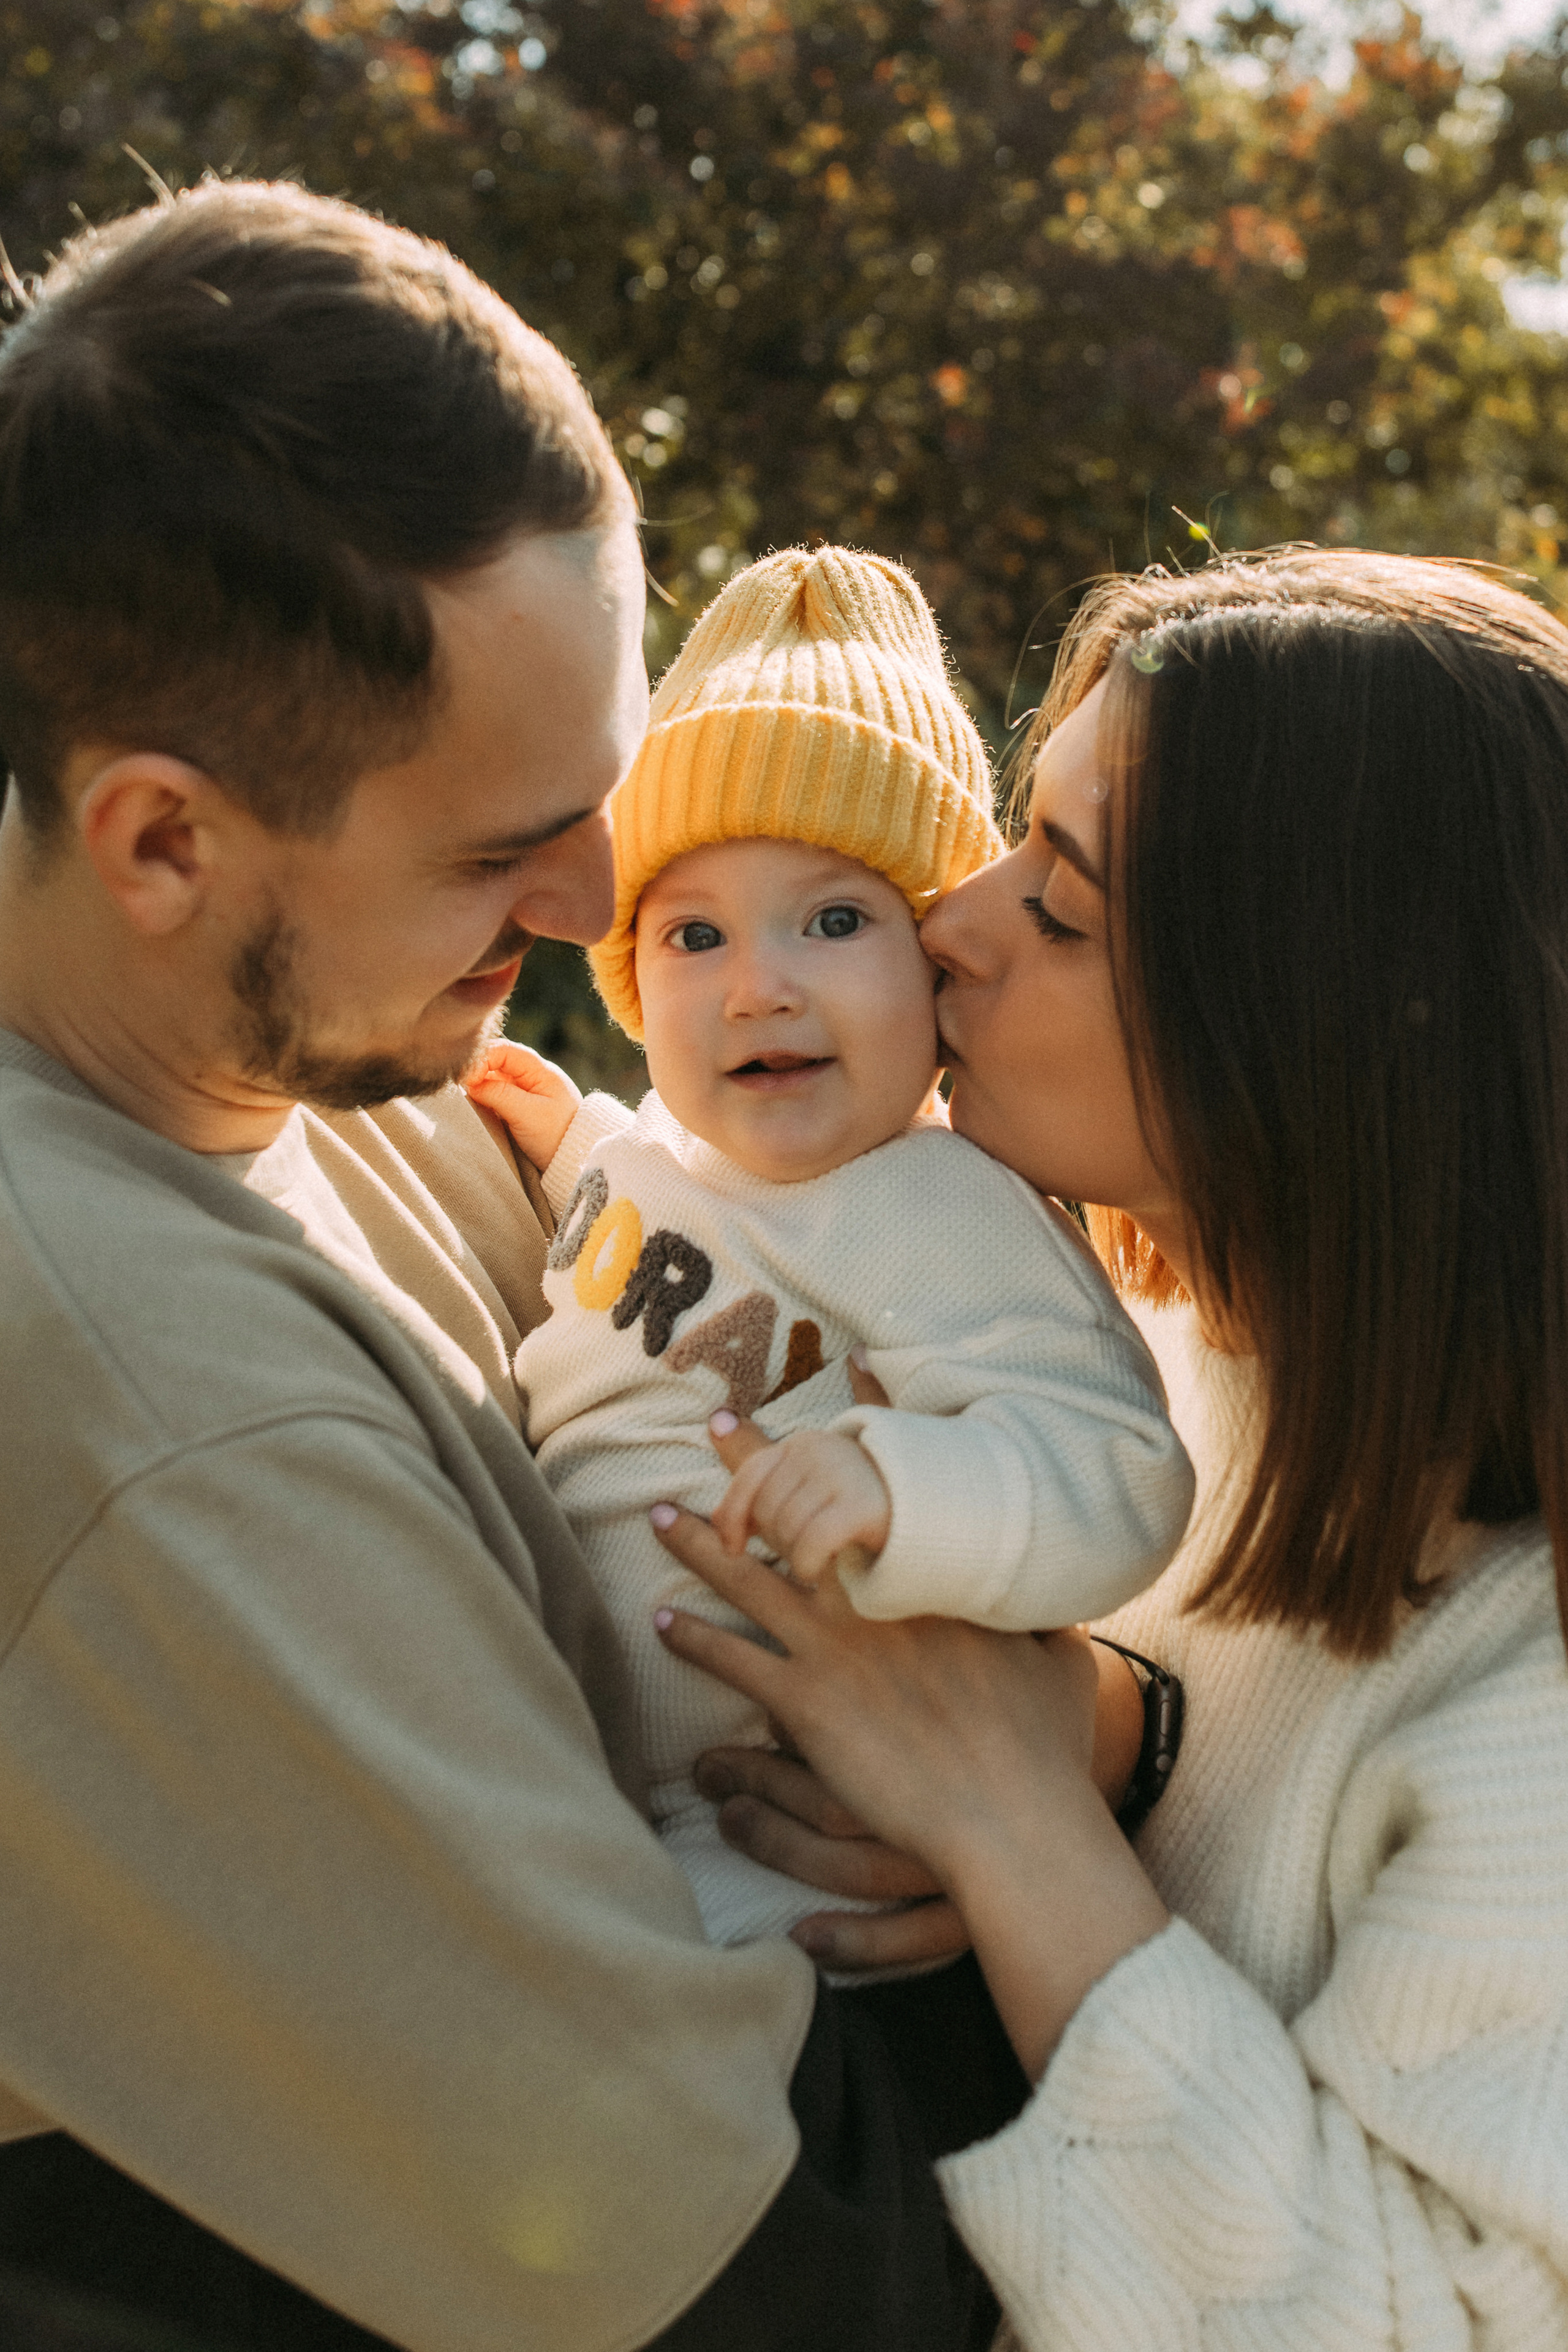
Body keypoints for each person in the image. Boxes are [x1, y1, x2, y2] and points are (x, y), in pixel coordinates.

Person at [0, 177, 1071, 2352]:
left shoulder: (316, 1065)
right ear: (162, 840)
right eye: (504, 845)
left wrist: (1083, 1719)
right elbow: (772, 2288)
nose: (604, 900)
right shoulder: (158, 1420)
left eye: (604, 795)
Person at [646, 548, 1568, 2343]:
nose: (950, 921)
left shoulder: (1533, 1710)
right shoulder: (1127, 1374)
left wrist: (1017, 1835)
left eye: (1056, 908)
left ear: (1311, 1025)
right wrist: (1111, 1736)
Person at [467, 542, 1193, 1950]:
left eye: (836, 920)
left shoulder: (935, 1205)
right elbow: (666, 1247)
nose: (759, 988)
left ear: (934, 960)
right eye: (692, 935)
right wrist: (570, 1144)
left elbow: (1109, 1466)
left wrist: (902, 1488)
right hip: (606, 1769)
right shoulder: (655, 1163)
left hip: (792, 1823)